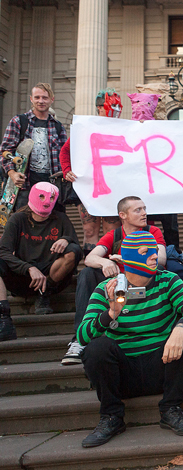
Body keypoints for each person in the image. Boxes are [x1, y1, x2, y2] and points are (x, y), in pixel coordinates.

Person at [77, 231, 183, 447]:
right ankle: (111, 416)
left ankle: (170, 409)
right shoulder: (105, 289)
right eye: (146, 252)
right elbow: (82, 335)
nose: (154, 256)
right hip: (124, 372)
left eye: (155, 250)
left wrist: (179, 329)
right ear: (130, 258)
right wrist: (110, 314)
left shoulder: (168, 280)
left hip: (162, 365)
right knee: (96, 348)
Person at [67, 196, 168, 365]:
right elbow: (90, 258)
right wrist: (105, 261)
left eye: (144, 208)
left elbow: (161, 259)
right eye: (138, 210)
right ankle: (79, 338)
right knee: (86, 274)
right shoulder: (114, 235)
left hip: (143, 280)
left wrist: (128, 259)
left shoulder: (152, 231)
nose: (144, 213)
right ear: (123, 215)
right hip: (116, 282)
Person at [0, 182, 81, 341]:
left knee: (73, 251)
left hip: (51, 275)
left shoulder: (61, 218)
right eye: (42, 196)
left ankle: (44, 292)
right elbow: (3, 251)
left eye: (51, 197)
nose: (47, 201)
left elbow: (77, 248)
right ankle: (3, 317)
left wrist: (66, 239)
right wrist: (28, 268)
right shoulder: (18, 218)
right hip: (21, 275)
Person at [60, 89, 123, 254]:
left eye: (118, 106)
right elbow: (65, 151)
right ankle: (92, 271)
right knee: (89, 230)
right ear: (100, 107)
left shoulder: (124, 127)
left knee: (113, 232)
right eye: (112, 105)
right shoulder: (85, 128)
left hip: (113, 188)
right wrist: (66, 170)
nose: (116, 110)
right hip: (89, 187)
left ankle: (113, 270)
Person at [1, 83, 68, 212]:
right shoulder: (19, 121)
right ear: (31, 99)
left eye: (44, 97)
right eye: (37, 97)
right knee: (24, 226)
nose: (41, 101)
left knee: (51, 226)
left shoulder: (58, 126)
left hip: (51, 187)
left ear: (51, 99)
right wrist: (12, 173)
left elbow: (64, 156)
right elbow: (5, 151)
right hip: (24, 187)